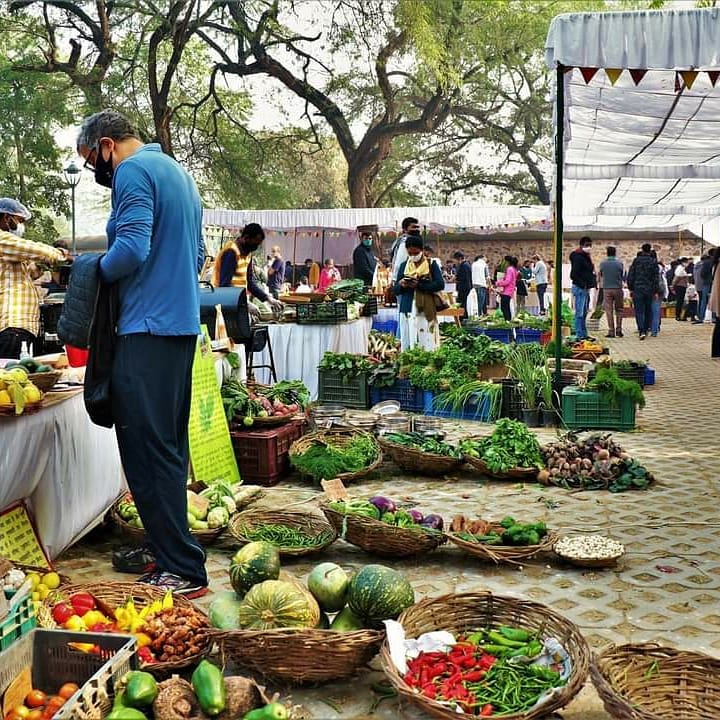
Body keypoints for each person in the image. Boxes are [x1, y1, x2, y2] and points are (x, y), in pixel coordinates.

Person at [77, 108, 207, 596]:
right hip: (176, 329)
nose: (97, 172)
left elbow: (131, 249)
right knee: (167, 448)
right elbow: (195, 258)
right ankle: (163, 547)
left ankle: (184, 568)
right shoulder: (178, 173)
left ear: (107, 145)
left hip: (145, 330)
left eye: (93, 160)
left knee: (146, 451)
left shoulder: (132, 171)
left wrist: (90, 274)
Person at [0, 199, 68, 358]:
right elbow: (33, 248)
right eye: (19, 220)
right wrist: (61, 255)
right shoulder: (3, 240)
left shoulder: (8, 249)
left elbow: (30, 272)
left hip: (17, 326)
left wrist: (39, 266)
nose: (21, 225)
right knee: (9, 376)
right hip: (12, 322)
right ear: (6, 218)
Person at [215, 223, 283, 318]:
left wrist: (268, 298)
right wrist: (246, 304)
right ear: (246, 238)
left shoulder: (248, 255)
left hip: (238, 305)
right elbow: (224, 286)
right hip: (225, 306)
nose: (255, 248)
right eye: (255, 243)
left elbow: (249, 283)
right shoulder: (231, 252)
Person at [394, 234, 444, 351]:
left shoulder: (431, 264)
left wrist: (420, 285)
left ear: (422, 250)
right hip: (406, 307)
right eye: (410, 253)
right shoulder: (403, 266)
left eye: (415, 253)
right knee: (408, 339)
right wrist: (401, 284)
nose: (413, 256)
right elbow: (395, 290)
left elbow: (440, 284)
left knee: (426, 339)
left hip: (425, 308)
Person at [627, 243, 660, 340]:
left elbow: (631, 275)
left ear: (642, 250)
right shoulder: (653, 262)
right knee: (648, 310)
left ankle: (641, 330)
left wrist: (631, 288)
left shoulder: (636, 261)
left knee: (639, 311)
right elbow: (656, 278)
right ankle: (645, 329)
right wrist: (655, 290)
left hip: (638, 289)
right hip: (649, 290)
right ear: (650, 250)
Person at [569, 236, 596, 339]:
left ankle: (584, 334)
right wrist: (583, 284)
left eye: (590, 245)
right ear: (581, 245)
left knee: (584, 313)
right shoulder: (578, 257)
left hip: (585, 288)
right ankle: (579, 335)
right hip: (580, 288)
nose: (588, 247)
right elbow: (574, 274)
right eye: (586, 245)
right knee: (579, 313)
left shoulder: (585, 256)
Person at [599, 246, 624, 338]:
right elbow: (621, 274)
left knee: (609, 310)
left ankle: (611, 331)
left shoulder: (603, 264)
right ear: (615, 253)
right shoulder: (619, 263)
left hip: (607, 289)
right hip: (618, 288)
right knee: (619, 309)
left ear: (607, 253)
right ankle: (619, 329)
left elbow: (601, 274)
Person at [391, 217, 420, 281]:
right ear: (405, 229)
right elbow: (399, 264)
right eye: (414, 227)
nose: (417, 229)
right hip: (403, 280)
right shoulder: (405, 243)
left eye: (417, 227)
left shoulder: (406, 241)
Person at [494, 255, 519, 322]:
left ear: (507, 262)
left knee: (504, 308)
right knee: (506, 307)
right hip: (510, 291)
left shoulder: (509, 269)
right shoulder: (514, 269)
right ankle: (508, 320)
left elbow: (507, 281)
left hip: (506, 291)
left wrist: (498, 283)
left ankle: (507, 321)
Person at [453, 251, 472, 317]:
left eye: (456, 260)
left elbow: (463, 278)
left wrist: (456, 279)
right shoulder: (465, 265)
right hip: (465, 288)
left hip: (464, 289)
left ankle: (463, 318)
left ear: (460, 258)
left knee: (463, 304)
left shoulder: (464, 266)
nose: (455, 262)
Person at [696, 253, 713, 323]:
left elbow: (702, 274)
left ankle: (701, 317)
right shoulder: (712, 262)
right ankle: (714, 317)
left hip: (706, 283)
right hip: (712, 283)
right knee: (713, 300)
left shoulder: (705, 263)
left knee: (703, 300)